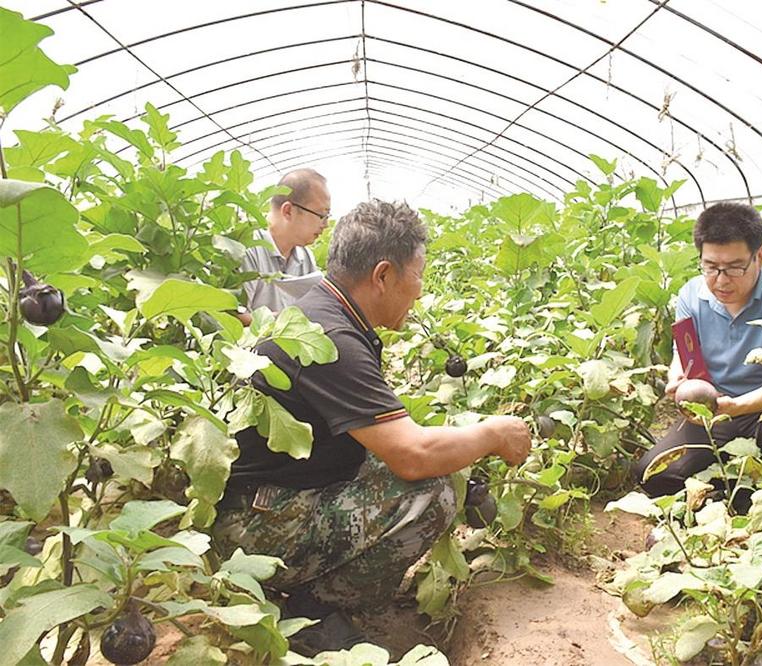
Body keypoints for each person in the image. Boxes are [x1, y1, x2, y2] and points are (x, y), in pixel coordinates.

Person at [214, 200, 532, 656]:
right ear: (383, 275)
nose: (419, 291)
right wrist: (495, 434)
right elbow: (413, 455)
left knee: (434, 462)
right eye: (417, 276)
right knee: (434, 492)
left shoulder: (326, 314)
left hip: (274, 492)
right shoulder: (331, 339)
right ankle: (314, 613)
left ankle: (314, 592)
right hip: (253, 525)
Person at [634, 202, 762, 501]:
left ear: (759, 256)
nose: (722, 280)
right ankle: (732, 495)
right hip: (719, 408)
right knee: (653, 474)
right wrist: (678, 379)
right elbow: (683, 355)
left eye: (735, 268)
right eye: (711, 267)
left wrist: (736, 406)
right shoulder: (690, 295)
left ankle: (749, 495)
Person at [236, 168, 330, 325]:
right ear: (288, 211)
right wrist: (289, 320)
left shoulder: (305, 256)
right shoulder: (247, 248)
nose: (325, 224)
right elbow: (235, 316)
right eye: (321, 215)